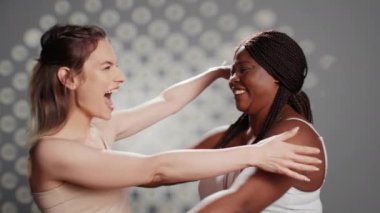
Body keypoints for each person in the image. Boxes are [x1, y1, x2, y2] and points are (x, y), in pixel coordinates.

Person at [27, 25, 321, 213]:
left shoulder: (100, 129)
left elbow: (168, 101)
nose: (120, 77)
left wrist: (218, 72)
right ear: (68, 78)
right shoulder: (52, 152)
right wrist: (255, 154)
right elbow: (155, 171)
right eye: (106, 67)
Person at [188, 30, 327, 213]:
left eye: (243, 69)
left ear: (277, 74)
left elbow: (240, 205)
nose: (231, 79)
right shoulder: (227, 136)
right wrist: (212, 75)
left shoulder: (294, 138)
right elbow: (160, 172)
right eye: (231, 71)